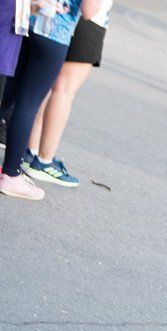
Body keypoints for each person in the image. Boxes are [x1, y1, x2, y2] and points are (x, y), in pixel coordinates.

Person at [0, 0, 103, 201]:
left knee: (9, 97)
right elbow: (89, 11)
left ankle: (11, 171)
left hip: (26, 21)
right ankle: (11, 174)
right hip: (55, 33)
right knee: (28, 104)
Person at [22, 0, 113, 188]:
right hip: (87, 23)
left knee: (49, 88)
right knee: (64, 91)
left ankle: (31, 150)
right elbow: (89, 9)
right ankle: (44, 160)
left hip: (58, 18)